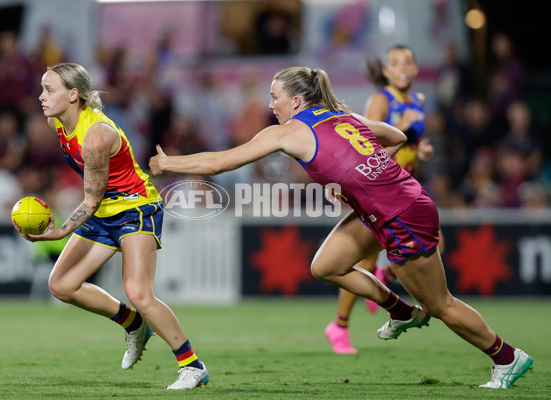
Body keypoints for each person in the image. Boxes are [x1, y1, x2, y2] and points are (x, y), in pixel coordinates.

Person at [149, 66, 533, 389]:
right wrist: (365, 175)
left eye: (274, 96)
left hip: (401, 214)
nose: (270, 104)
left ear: (296, 101)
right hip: (392, 206)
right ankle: (399, 311)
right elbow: (397, 138)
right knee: (325, 266)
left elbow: (219, 162)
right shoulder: (342, 116)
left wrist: (169, 165)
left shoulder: (289, 131)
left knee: (439, 304)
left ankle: (507, 357)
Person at [16, 63, 209, 390]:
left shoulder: (96, 136)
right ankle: (134, 324)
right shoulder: (58, 121)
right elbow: (95, 201)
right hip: (105, 212)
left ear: (73, 95)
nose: (41, 96)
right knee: (61, 285)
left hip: (135, 210)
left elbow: (91, 201)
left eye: (49, 90)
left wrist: (60, 231)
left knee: (139, 292)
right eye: (42, 88)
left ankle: (192, 365)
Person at [325, 44, 440, 354]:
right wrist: (403, 130)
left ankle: (369, 294)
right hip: (379, 190)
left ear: (416, 69)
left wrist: (422, 151)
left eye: (407, 61)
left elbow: (412, 147)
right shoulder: (380, 100)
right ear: (387, 71)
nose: (402, 67)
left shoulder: (419, 100)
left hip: (405, 188)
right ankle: (341, 323)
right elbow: (367, 141)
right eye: (395, 62)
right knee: (364, 259)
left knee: (370, 258)